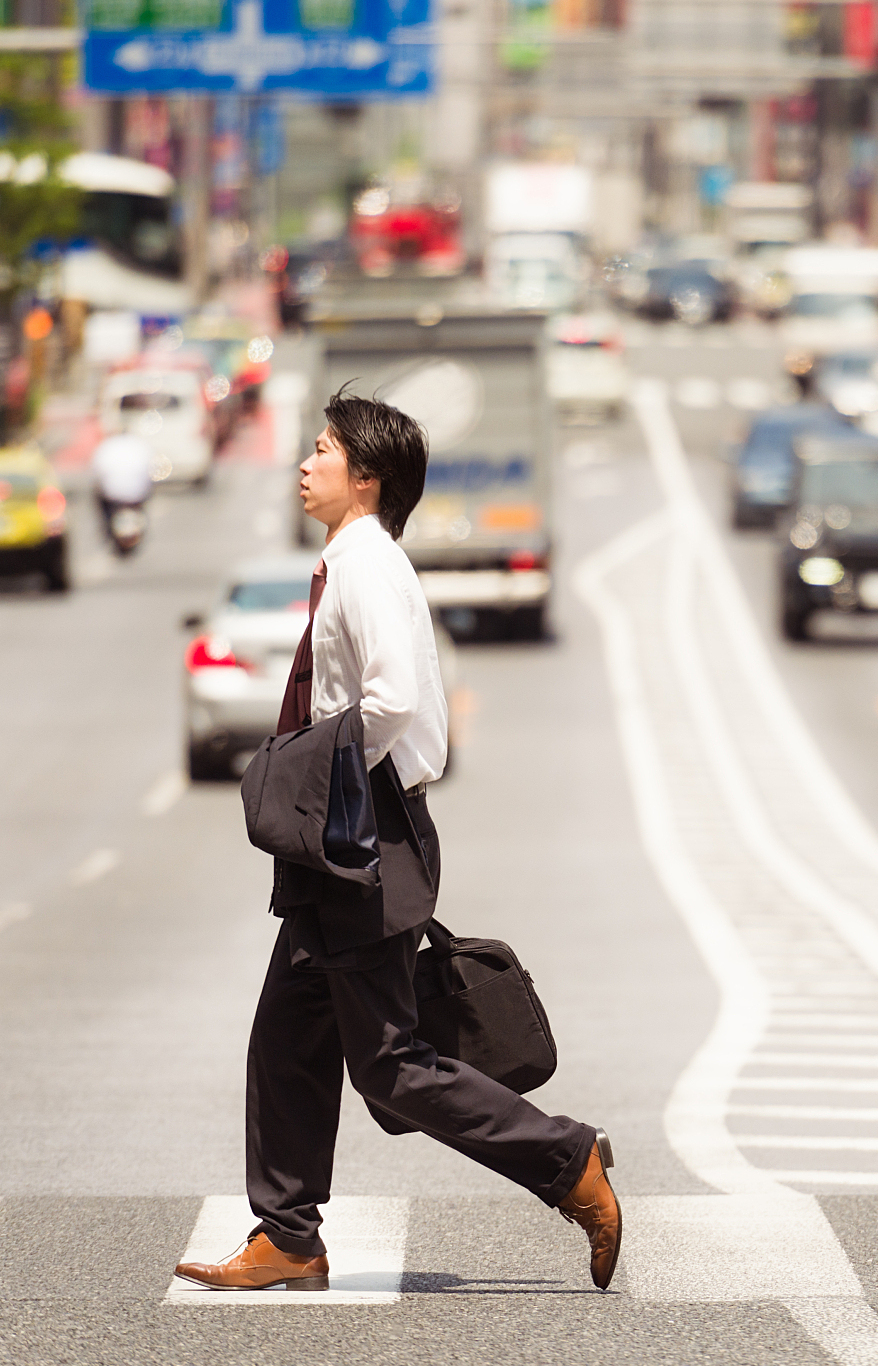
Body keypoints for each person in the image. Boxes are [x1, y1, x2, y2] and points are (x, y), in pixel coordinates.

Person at [173, 391, 622, 1294]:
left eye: (324, 451)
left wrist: (308, 777)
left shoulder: (370, 568)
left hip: (362, 837)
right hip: (346, 837)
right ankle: (289, 1235)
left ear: (365, 478)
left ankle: (567, 1160)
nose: (306, 464)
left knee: (389, 1064)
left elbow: (394, 704)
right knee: (288, 1038)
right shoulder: (351, 563)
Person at [90, 431, 156, 540]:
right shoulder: (140, 445)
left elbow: (97, 471)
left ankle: (107, 526)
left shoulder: (106, 446)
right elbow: (151, 470)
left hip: (113, 495)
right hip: (137, 493)